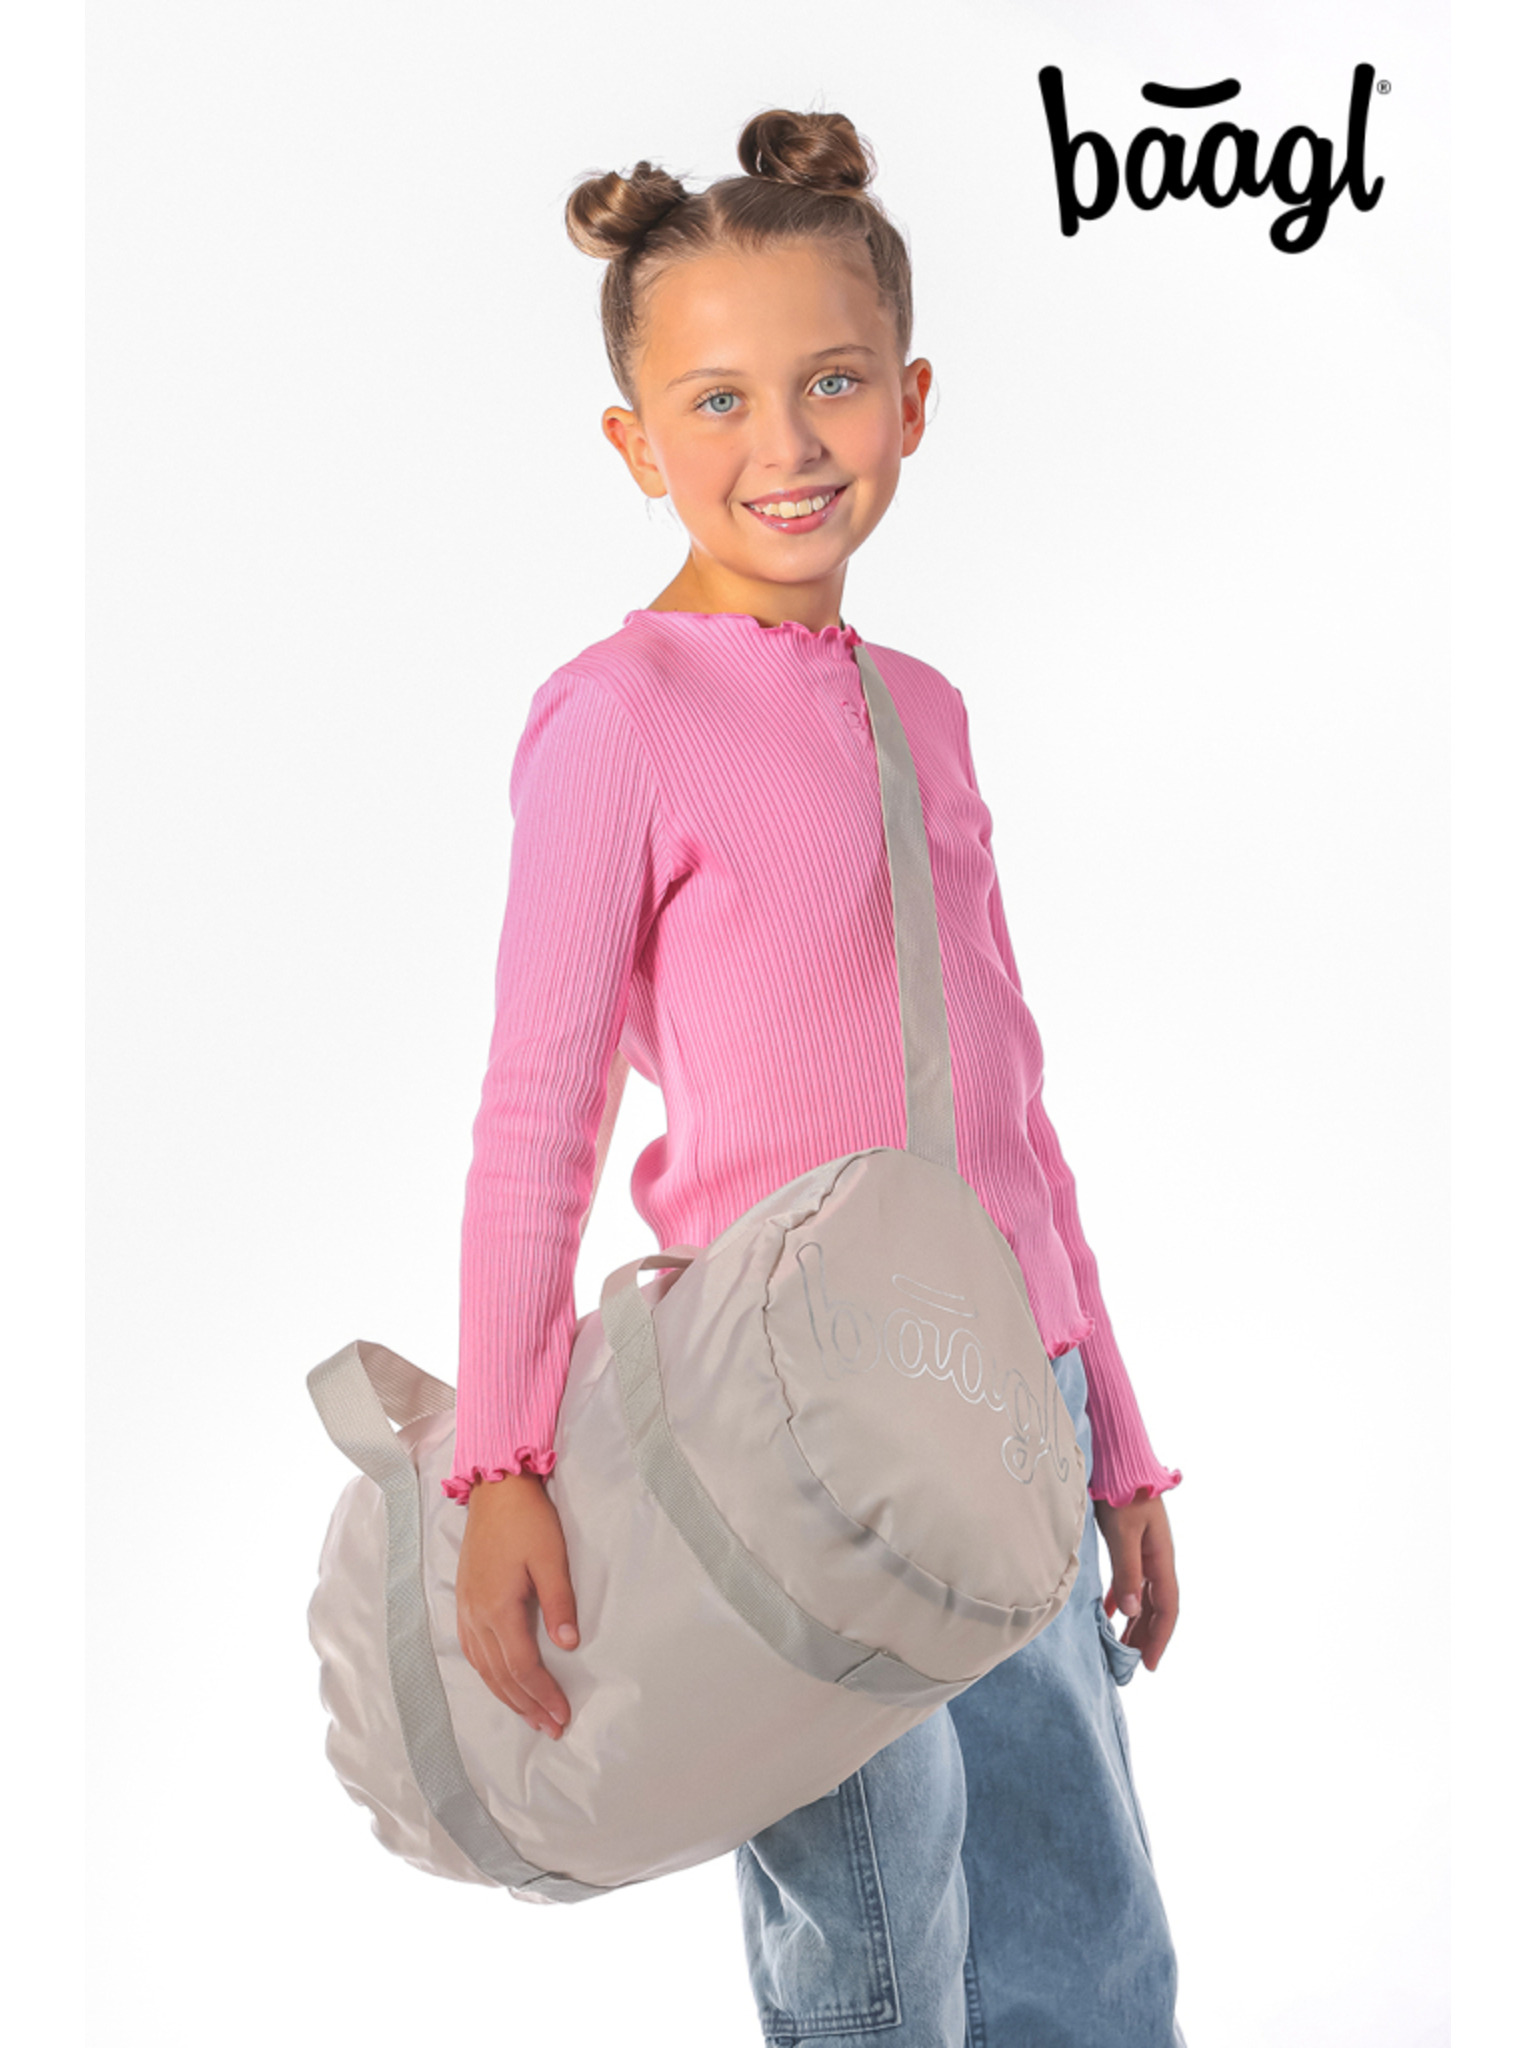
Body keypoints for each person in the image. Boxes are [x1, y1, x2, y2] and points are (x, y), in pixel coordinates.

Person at [448, 104, 1187, 2048]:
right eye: (719, 400)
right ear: (636, 442)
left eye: (833, 382)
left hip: (1009, 1398)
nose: (785, 443)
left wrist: (1111, 1429)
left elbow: (1006, 1104)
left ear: (912, 402)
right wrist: (500, 1459)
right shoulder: (617, 718)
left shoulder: (922, 713)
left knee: (1090, 1936)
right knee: (870, 1944)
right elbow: (537, 1114)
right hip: (792, 1426)